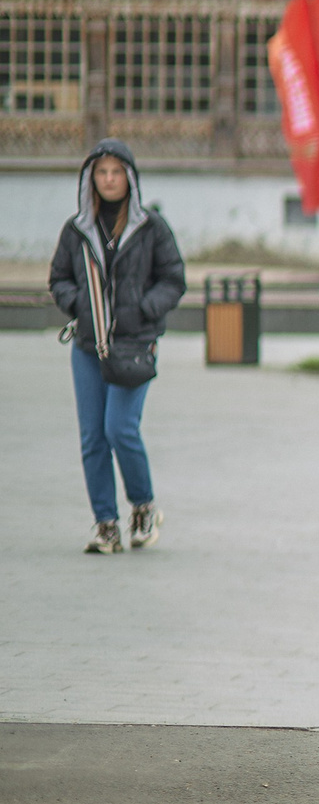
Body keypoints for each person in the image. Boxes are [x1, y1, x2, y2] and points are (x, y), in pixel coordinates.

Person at [50, 139, 185, 556]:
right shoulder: (77, 229)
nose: (109, 180)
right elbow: (59, 278)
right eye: (101, 173)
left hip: (135, 345)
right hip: (88, 346)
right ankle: (106, 524)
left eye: (116, 172)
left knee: (120, 428)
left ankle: (143, 507)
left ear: (130, 178)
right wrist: (80, 304)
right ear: (90, 178)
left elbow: (174, 279)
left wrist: (145, 309)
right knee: (93, 437)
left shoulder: (151, 228)